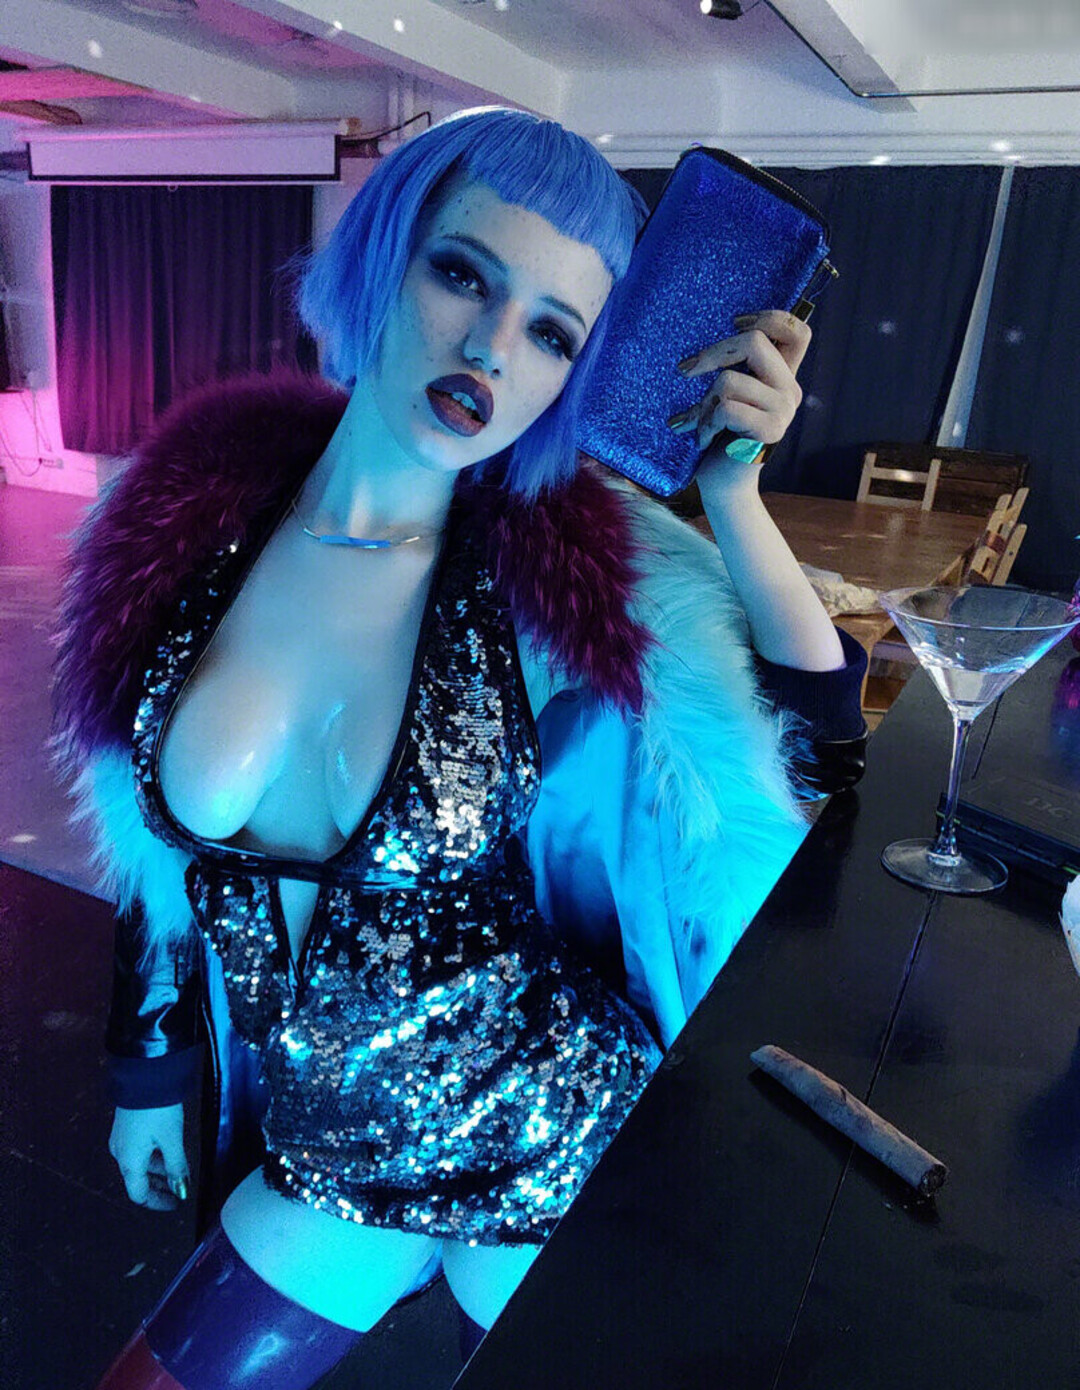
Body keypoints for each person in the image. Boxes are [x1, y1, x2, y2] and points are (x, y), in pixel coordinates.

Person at [52, 107, 867, 1390]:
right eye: (463, 274)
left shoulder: (545, 584)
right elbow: (155, 854)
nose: (491, 346)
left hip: (551, 1127)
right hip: (325, 1149)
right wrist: (145, 1063)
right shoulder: (184, 522)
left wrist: (732, 496)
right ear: (383, 259)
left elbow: (810, 761)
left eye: (553, 333)